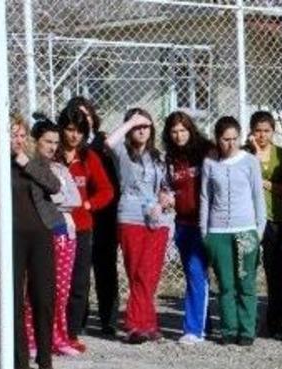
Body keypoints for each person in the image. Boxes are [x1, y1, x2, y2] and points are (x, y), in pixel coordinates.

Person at [104, 108, 173, 344]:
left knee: (149, 274)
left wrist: (166, 199)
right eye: (137, 126)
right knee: (137, 273)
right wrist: (131, 121)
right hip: (131, 217)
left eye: (146, 125)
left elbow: (167, 187)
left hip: (156, 220)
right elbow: (109, 142)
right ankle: (138, 325)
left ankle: (144, 323)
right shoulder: (122, 152)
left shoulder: (159, 157)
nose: (142, 130)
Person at [200, 116, 266, 346]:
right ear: (218, 140)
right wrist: (205, 232)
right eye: (225, 139)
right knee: (226, 284)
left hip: (245, 229)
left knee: (245, 283)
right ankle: (229, 328)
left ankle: (247, 329)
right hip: (218, 231)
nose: (230, 144)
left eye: (234, 139)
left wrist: (259, 230)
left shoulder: (250, 161)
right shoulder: (210, 163)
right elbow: (205, 198)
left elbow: (258, 196)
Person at [7, 115, 62, 369]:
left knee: (43, 296)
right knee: (14, 297)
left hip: (40, 232)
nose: (17, 140)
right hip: (11, 236)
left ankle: (45, 355)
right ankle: (19, 359)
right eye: (12, 135)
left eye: (21, 135)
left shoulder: (35, 161)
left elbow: (54, 185)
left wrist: (26, 163)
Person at [23, 119, 83, 358]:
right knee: (35, 289)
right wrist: (55, 197)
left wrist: (55, 198)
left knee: (61, 289)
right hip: (41, 231)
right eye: (47, 141)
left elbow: (73, 199)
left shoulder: (59, 168)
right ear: (35, 141)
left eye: (55, 143)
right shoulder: (28, 167)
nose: (52, 147)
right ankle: (31, 338)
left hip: (65, 231)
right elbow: (44, 198)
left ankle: (58, 336)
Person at [57, 105, 114, 352]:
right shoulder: (52, 155)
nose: (74, 136)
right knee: (56, 283)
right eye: (70, 130)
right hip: (54, 228)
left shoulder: (89, 158)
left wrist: (88, 204)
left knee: (79, 283)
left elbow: (106, 190)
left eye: (80, 131)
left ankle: (70, 333)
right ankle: (51, 331)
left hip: (81, 229)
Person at [163, 110, 213, 344]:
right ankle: (206, 323)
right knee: (195, 275)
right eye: (174, 131)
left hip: (204, 223)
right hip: (182, 223)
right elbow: (168, 186)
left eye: (183, 130)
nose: (178, 135)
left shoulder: (205, 152)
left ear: (190, 130)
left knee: (197, 274)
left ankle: (194, 329)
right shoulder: (171, 158)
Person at [244, 111, 282, 338]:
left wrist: (265, 183)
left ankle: (275, 322)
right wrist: (252, 153)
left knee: (276, 274)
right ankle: (247, 320)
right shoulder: (243, 153)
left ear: (273, 132)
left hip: (274, 220)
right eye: (258, 131)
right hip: (247, 221)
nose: (262, 135)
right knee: (246, 272)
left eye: (266, 131)